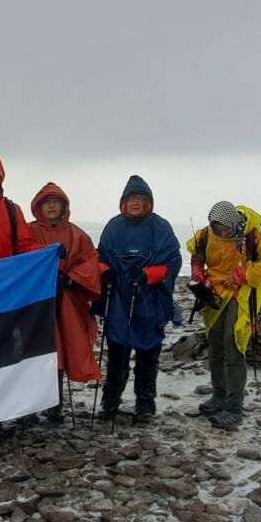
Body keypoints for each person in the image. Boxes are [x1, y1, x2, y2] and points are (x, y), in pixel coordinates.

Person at [188, 202, 261, 430]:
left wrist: (243, 275)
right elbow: (196, 257)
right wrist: (198, 275)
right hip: (215, 293)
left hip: (241, 296)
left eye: (226, 228)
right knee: (216, 347)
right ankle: (218, 398)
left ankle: (234, 408)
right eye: (217, 228)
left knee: (234, 347)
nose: (222, 232)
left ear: (234, 223)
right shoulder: (205, 235)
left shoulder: (251, 234)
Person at [95, 175, 180, 423]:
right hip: (120, 301)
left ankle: (145, 405)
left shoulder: (161, 228)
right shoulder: (113, 227)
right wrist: (106, 272)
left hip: (149, 301)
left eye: (140, 199)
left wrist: (148, 275)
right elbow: (100, 258)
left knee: (147, 356)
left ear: (148, 202)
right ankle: (109, 403)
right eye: (131, 198)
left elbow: (172, 262)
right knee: (117, 356)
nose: (135, 203)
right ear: (124, 201)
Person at [26, 182, 102, 419]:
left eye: (55, 203)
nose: (51, 206)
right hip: (35, 302)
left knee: (59, 352)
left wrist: (70, 279)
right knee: (32, 353)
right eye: (47, 202)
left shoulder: (77, 234)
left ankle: (54, 405)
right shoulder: (28, 231)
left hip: (65, 302)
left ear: (63, 207)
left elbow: (91, 263)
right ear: (39, 206)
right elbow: (19, 257)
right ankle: (28, 408)